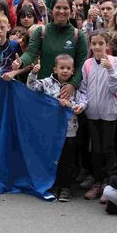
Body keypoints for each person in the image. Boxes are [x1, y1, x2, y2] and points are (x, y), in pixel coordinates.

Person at [27, 54, 86, 202]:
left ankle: (66, 188)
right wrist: (33, 72)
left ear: (73, 71)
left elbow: (81, 104)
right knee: (53, 159)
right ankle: (52, 184)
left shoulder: (75, 87)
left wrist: (70, 105)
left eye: (68, 68)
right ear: (55, 69)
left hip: (69, 131)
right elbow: (31, 87)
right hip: (51, 130)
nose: (65, 71)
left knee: (67, 160)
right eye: (62, 68)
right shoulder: (46, 83)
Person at [78, 31, 117, 201]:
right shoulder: (87, 64)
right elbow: (83, 89)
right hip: (92, 113)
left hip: (109, 112)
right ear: (90, 45)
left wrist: (110, 70)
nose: (97, 47)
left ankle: (110, 184)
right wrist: (82, 104)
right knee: (96, 149)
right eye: (94, 43)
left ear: (108, 45)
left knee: (108, 148)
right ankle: (98, 182)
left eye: (101, 43)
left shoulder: (116, 62)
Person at [19, 0, 89, 105]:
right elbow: (31, 53)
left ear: (71, 11)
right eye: (58, 7)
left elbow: (82, 64)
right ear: (52, 10)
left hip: (67, 94)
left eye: (65, 8)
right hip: (43, 91)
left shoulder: (78, 35)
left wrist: (73, 84)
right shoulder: (41, 32)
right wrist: (21, 61)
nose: (61, 11)